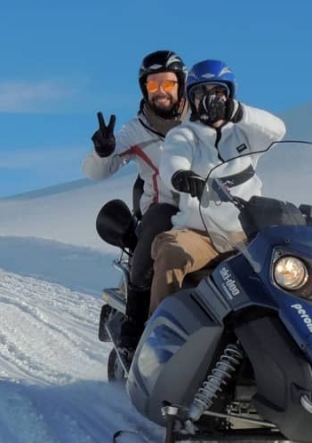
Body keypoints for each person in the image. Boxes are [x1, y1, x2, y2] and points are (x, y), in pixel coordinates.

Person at [150, 59, 287, 315]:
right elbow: (173, 160)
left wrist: (239, 113)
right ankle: (159, 338)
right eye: (201, 92)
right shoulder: (183, 134)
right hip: (198, 232)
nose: (210, 99)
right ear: (191, 98)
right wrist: (182, 176)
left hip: (246, 236)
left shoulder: (245, 132)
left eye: (218, 92)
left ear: (229, 95)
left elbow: (278, 130)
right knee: (171, 253)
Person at [82, 50, 189, 351]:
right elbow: (98, 172)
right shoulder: (136, 130)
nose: (160, 92)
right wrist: (102, 153)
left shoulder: (200, 121)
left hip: (206, 207)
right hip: (164, 207)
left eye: (167, 84)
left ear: (181, 84)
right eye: (153, 85)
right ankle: (135, 322)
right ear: (144, 88)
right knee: (155, 229)